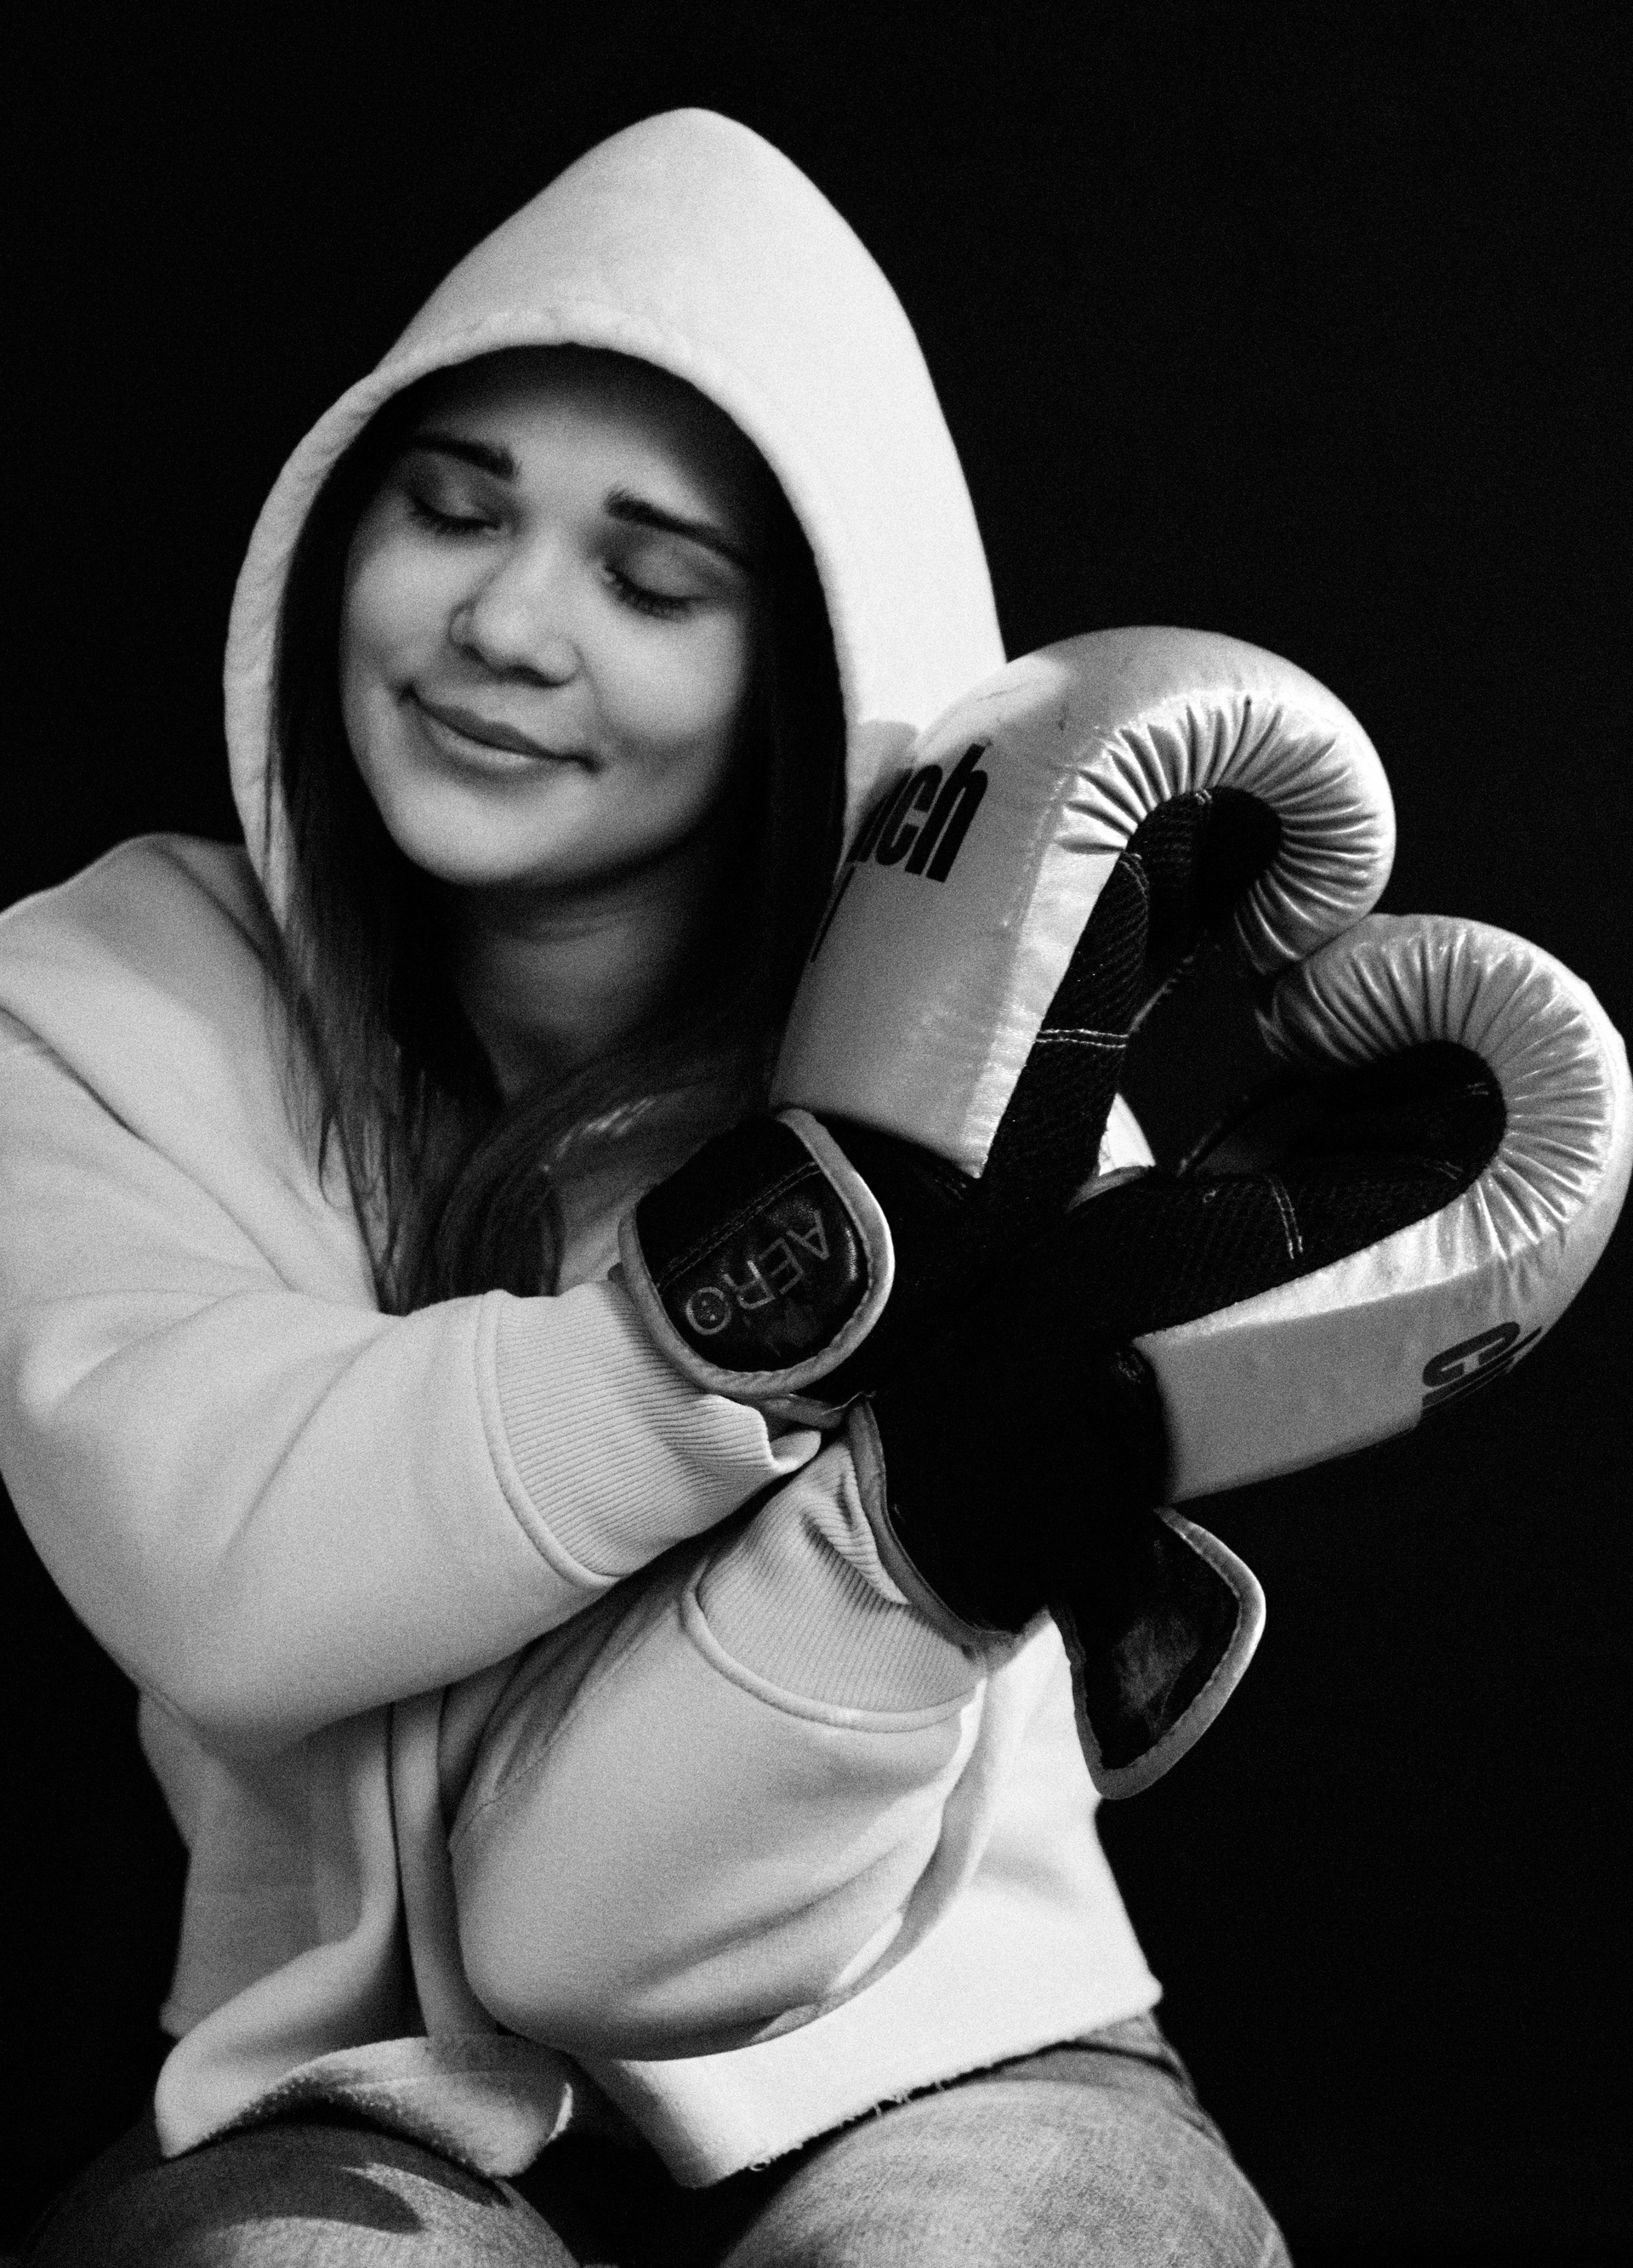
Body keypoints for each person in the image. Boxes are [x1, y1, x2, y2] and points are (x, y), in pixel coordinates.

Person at [0, 111, 1291, 2263]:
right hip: (332, 2099)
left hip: (961, 2060)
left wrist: (922, 1530)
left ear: (812, 665)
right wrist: (744, 1307)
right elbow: (225, 1562)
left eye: (653, 578)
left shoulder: (1009, 1115)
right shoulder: (94, 1000)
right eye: (450, 508)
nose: (507, 621)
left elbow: (602, 1927)